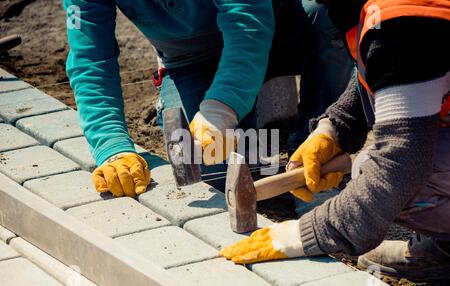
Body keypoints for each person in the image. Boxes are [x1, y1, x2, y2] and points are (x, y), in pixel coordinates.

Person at [221, 0, 450, 280]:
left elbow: (401, 167)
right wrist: (335, 128)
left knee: (379, 174)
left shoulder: (401, 21)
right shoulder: (380, 12)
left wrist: (310, 232)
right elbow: (390, 70)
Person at [63, 0, 352, 197]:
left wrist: (221, 107)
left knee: (332, 15)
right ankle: (262, 106)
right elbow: (91, 59)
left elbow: (246, 22)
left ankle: (313, 143)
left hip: (276, 25)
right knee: (213, 170)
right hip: (191, 60)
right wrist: (112, 146)